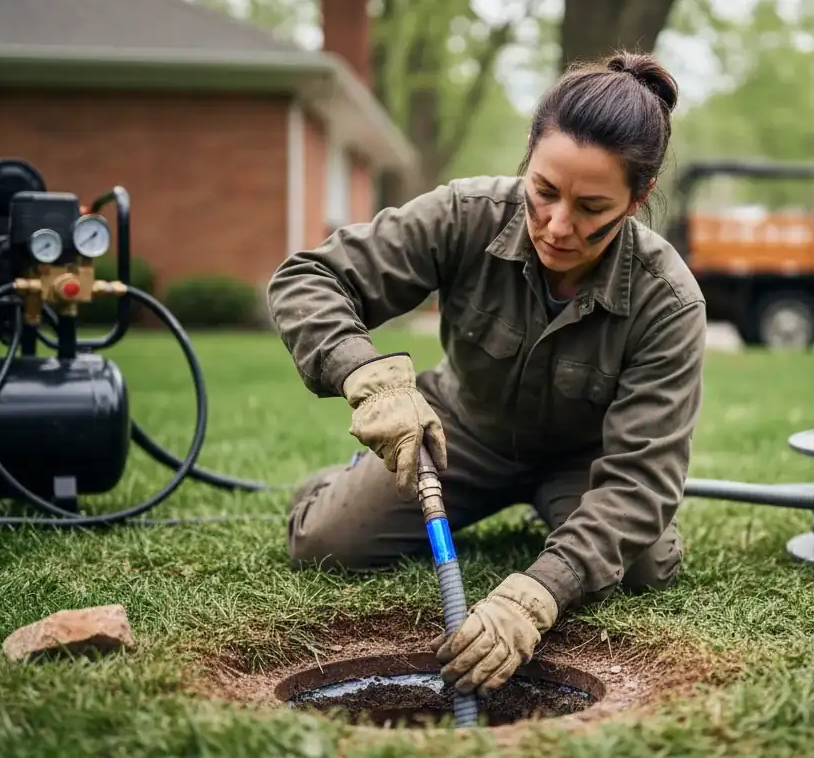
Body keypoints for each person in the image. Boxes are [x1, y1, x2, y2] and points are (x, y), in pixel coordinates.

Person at [266, 50, 707, 699]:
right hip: (460, 435)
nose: (558, 225)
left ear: (637, 200)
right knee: (327, 544)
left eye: (591, 208)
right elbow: (308, 277)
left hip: (585, 465)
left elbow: (641, 482)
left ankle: (559, 525)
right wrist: (366, 377)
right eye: (545, 191)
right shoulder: (465, 215)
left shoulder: (667, 300)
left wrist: (537, 595)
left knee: (642, 566)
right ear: (528, 157)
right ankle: (339, 489)